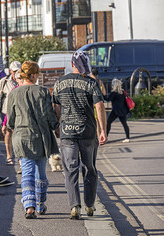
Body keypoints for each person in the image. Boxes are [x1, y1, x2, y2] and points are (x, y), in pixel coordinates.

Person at [52, 50, 107, 220]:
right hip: (88, 132)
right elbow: (99, 107)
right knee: (89, 169)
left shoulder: (59, 83)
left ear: (71, 64)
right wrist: (102, 130)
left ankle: (75, 206)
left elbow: (56, 108)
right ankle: (89, 205)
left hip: (67, 133)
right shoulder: (91, 83)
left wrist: (57, 127)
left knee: (70, 169)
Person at [7, 61, 60, 219]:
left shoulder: (14, 93)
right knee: (40, 174)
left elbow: (10, 120)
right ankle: (40, 204)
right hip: (41, 138)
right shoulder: (43, 92)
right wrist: (56, 126)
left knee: (27, 173)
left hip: (21, 138)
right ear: (34, 75)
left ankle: (28, 206)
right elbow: (49, 115)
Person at [0, 61, 21, 164]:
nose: (17, 73)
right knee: (8, 133)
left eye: (19, 71)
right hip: (6, 111)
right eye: (15, 71)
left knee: (19, 134)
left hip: (20, 111)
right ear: (10, 71)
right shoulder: (4, 82)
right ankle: (9, 156)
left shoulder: (23, 81)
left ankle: (20, 158)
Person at [1, 70, 23, 172]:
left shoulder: (28, 89)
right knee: (18, 142)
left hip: (24, 122)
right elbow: (9, 110)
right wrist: (5, 123)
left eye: (21, 78)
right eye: (19, 78)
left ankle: (22, 164)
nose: (20, 80)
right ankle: (21, 164)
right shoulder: (14, 91)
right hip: (16, 121)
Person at [106, 78, 130, 143]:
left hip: (116, 111)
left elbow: (108, 99)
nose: (111, 86)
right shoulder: (122, 92)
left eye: (112, 85)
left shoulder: (114, 93)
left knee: (108, 122)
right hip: (123, 110)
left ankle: (106, 137)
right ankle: (127, 138)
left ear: (114, 85)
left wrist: (102, 95)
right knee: (124, 124)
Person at [90, 67, 106, 138]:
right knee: (100, 122)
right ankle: (102, 135)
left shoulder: (91, 82)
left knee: (96, 122)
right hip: (100, 101)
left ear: (91, 73)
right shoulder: (100, 81)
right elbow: (104, 93)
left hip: (93, 103)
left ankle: (99, 137)